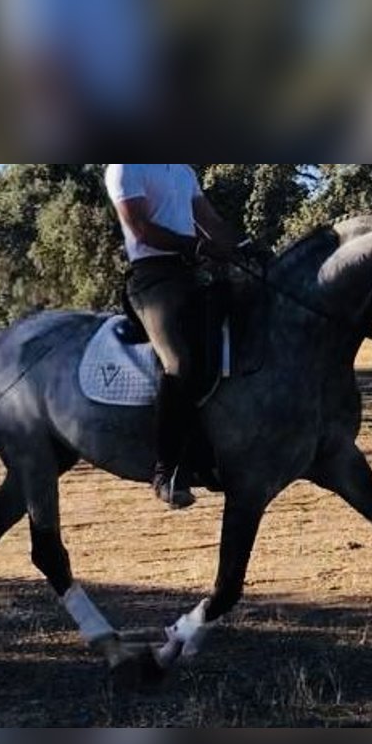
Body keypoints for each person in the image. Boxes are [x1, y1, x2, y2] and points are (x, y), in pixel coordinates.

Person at [105, 164, 243, 509]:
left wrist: (242, 245)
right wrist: (198, 248)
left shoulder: (182, 169)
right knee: (179, 363)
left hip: (192, 275)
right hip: (153, 279)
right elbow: (141, 229)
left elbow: (209, 220)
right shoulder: (125, 167)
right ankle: (166, 470)